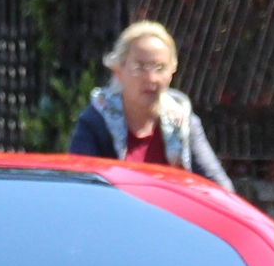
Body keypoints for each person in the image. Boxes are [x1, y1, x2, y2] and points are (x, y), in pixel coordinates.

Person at [67, 19, 234, 190]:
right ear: (118, 71)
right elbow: (79, 190)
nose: (151, 78)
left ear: (172, 72)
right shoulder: (95, 122)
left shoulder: (183, 121)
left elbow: (219, 189)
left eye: (160, 67)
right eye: (140, 67)